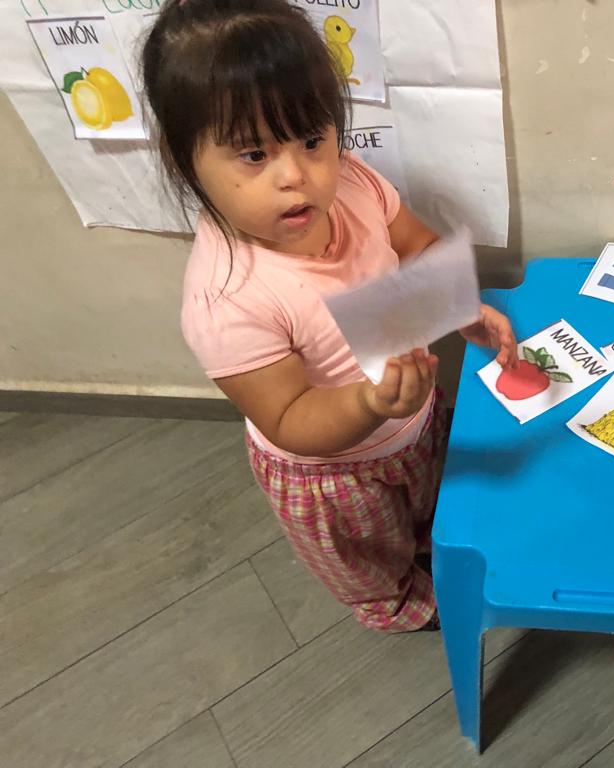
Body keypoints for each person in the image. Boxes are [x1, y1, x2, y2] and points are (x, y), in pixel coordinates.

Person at [142, 0, 518, 632]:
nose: (298, 175)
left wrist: (457, 305)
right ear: (187, 162)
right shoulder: (227, 298)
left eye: (313, 140)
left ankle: (428, 543)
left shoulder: (352, 184)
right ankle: (393, 604)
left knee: (427, 507)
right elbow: (289, 418)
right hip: (335, 474)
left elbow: (417, 244)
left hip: (414, 418)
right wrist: (371, 403)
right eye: (254, 154)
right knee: (369, 556)